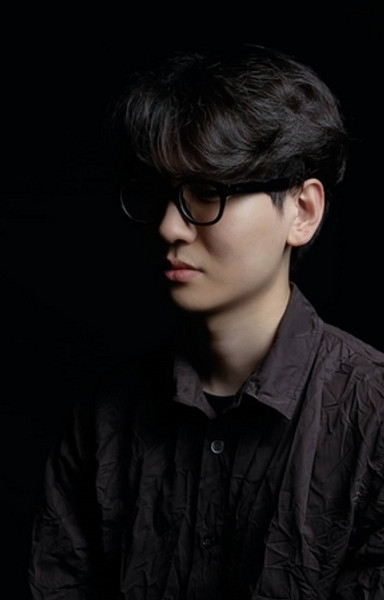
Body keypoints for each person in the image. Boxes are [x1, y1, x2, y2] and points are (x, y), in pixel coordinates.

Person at [28, 44, 384, 599]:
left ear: (302, 211)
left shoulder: (374, 415)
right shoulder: (104, 416)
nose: (170, 227)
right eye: (160, 194)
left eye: (207, 193)